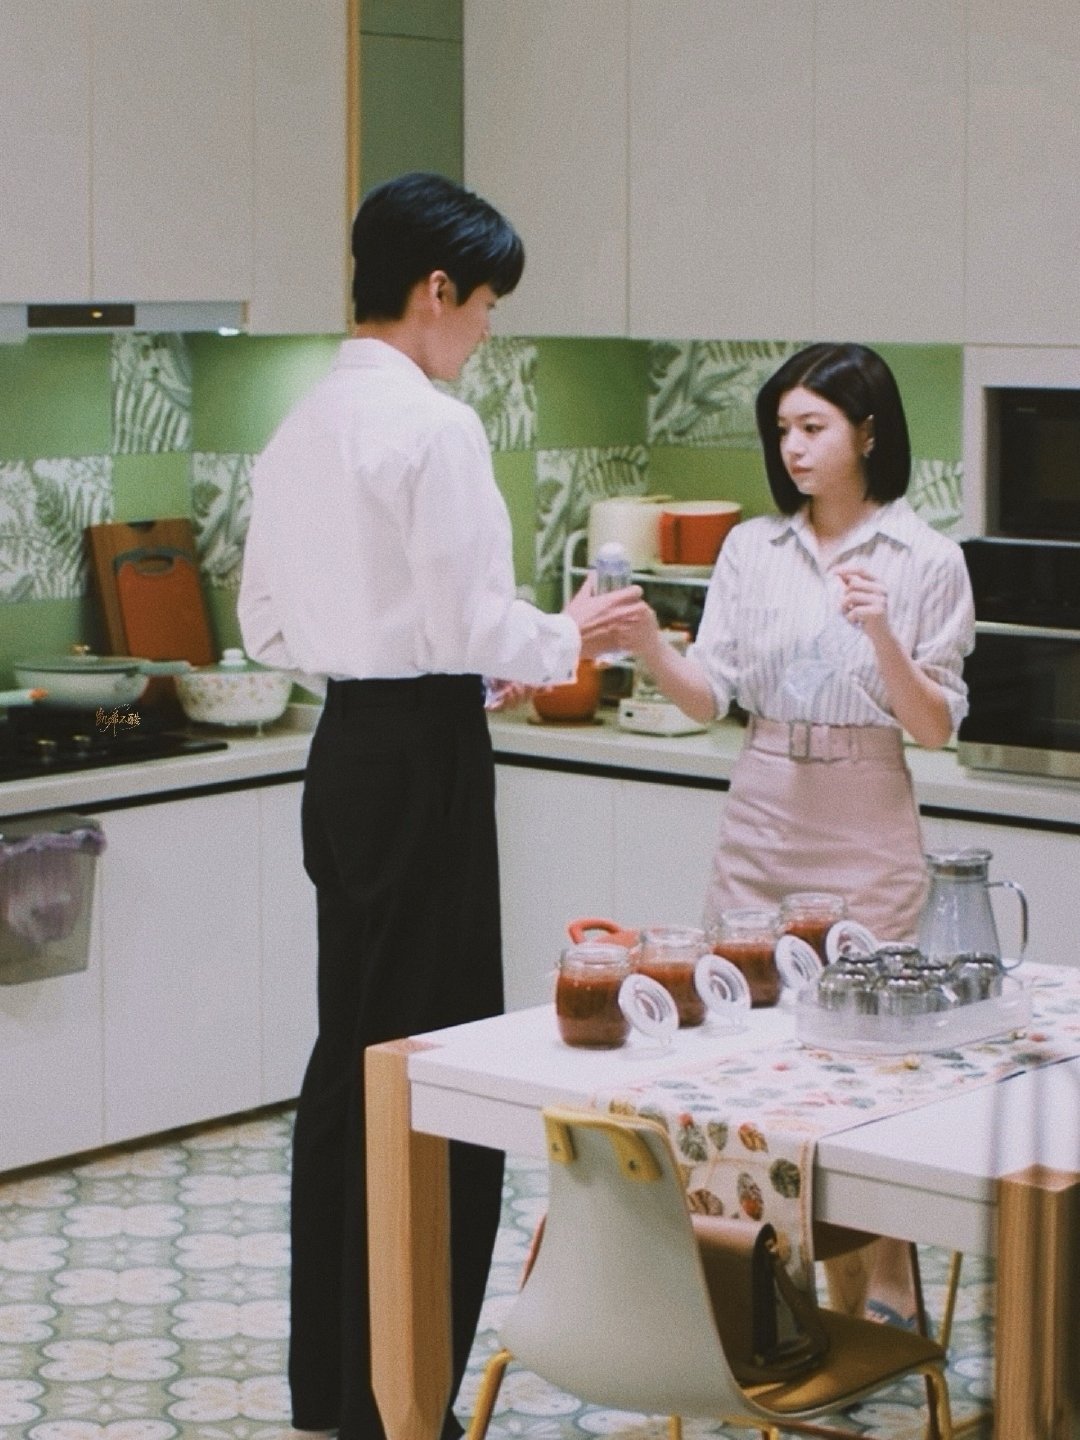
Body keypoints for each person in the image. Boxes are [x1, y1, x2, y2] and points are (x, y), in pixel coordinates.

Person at [237, 171, 647, 1440]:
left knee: (348, 1058)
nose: (484, 331)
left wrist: (426, 657)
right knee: (432, 1067)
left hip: (344, 753)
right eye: (484, 306)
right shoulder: (434, 427)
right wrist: (567, 632)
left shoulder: (298, 425)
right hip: (425, 759)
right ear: (435, 289)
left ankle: (334, 1386)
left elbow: (262, 628)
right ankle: (403, 1394)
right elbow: (475, 624)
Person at [621, 341, 975, 1320]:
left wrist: (882, 633)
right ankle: (769, 1297)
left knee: (868, 1060)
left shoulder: (927, 558)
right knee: (748, 1047)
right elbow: (709, 698)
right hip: (765, 799)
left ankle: (882, 1278)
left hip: (867, 810)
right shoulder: (751, 550)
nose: (793, 448)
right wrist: (649, 644)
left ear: (869, 431)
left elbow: (933, 727)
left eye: (813, 427)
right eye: (782, 429)